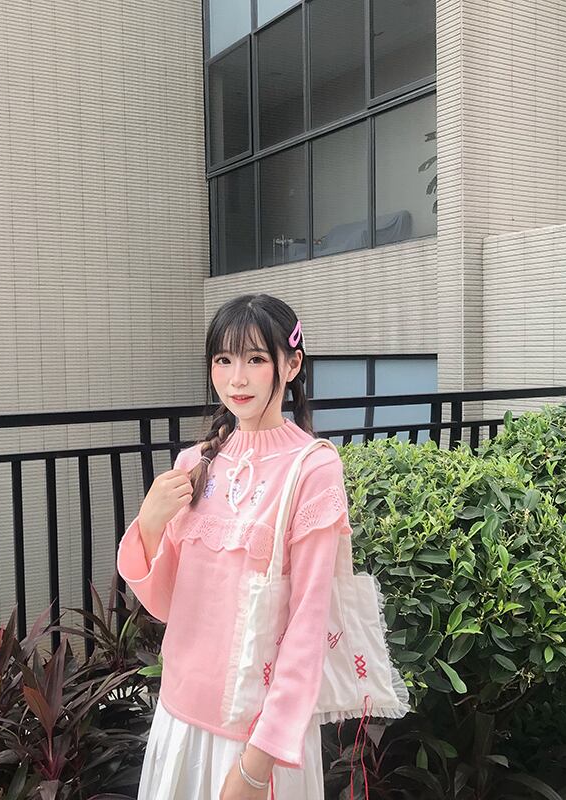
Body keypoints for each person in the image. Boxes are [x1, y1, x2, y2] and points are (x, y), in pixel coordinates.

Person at [117, 293, 353, 800]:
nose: (236, 379)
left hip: (258, 736)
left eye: (256, 359)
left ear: (291, 365)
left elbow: (309, 624)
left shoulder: (313, 468)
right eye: (223, 360)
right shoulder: (193, 464)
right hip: (179, 717)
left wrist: (256, 766)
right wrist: (150, 525)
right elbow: (167, 604)